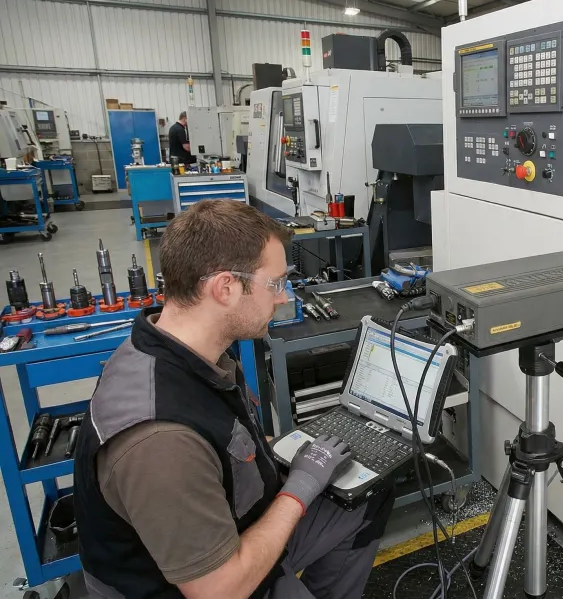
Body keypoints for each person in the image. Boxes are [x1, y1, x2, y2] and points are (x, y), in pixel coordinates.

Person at [73, 199, 394, 599]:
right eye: (275, 284)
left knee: (367, 494)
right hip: (204, 585)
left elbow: (222, 447)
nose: (283, 298)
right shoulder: (160, 440)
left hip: (239, 525)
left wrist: (290, 452)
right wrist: (301, 487)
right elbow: (219, 590)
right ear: (225, 288)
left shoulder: (182, 351)